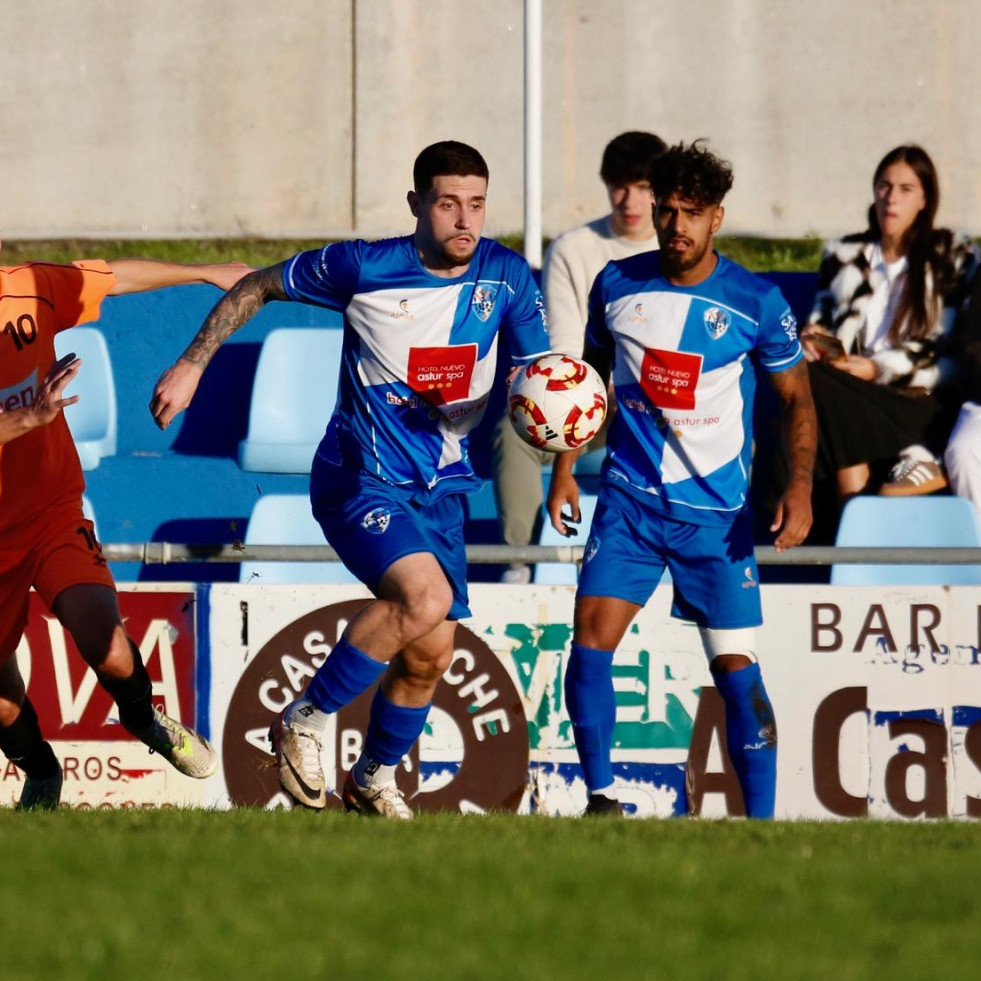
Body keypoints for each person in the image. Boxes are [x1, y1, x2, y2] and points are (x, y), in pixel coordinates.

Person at [151, 141, 550, 818]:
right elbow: (256, 284)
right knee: (422, 598)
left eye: (477, 204)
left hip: (444, 490)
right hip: (359, 477)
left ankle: (371, 777)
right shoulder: (362, 265)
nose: (465, 220)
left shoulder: (507, 276)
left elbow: (538, 373)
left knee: (431, 652)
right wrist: (193, 363)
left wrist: (538, 403)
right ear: (416, 204)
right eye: (448, 202)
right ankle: (302, 718)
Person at [547, 141, 816, 818]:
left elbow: (796, 401)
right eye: (665, 211)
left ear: (716, 217)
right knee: (588, 637)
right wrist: (562, 470)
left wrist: (798, 488)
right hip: (630, 504)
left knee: (735, 674)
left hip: (716, 516)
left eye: (689, 213)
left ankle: (759, 828)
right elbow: (585, 385)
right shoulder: (616, 284)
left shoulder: (755, 301)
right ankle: (602, 798)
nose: (674, 225)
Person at [0, 250, 250, 809]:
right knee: (2, 704)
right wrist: (28, 419)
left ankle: (146, 720)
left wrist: (203, 273)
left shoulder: (29, 286)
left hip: (49, 513)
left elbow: (112, 277)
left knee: (108, 647)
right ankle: (40, 770)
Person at [493, 131, 666, 583]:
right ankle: (519, 568)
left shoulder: (676, 251)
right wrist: (593, 397)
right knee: (514, 436)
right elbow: (566, 347)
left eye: (644, 187)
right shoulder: (573, 249)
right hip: (587, 402)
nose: (629, 200)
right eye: (619, 185)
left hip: (653, 406)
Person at [801, 145, 979, 504]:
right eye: (884, 186)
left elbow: (951, 348)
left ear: (925, 199)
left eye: (905, 189)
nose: (891, 198)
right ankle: (872, 496)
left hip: (918, 397)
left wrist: (877, 368)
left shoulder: (951, 255)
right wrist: (813, 341)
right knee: (814, 379)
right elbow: (820, 324)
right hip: (850, 388)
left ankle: (848, 522)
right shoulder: (844, 256)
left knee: (822, 397)